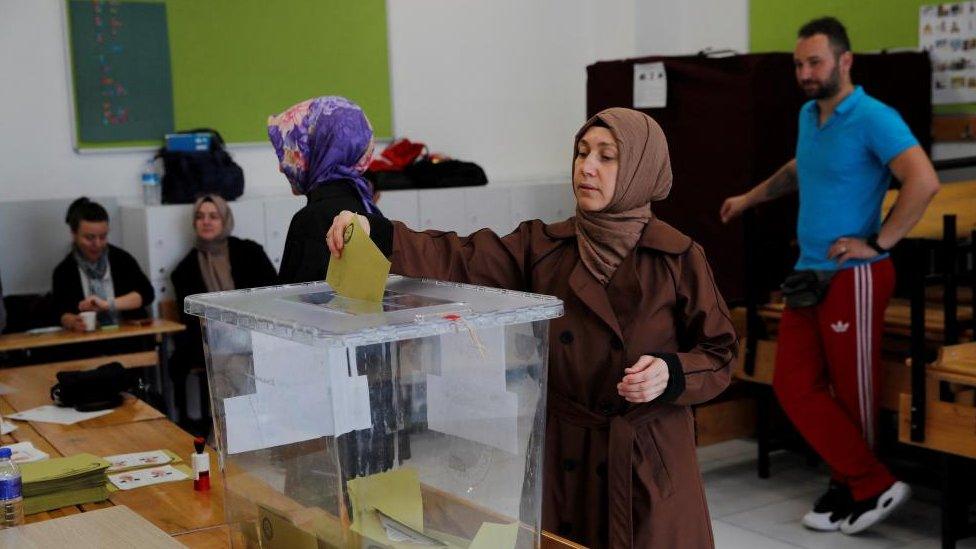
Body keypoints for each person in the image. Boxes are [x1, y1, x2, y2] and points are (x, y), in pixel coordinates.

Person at [328, 107, 736, 549]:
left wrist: (671, 373)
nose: (587, 167)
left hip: (648, 457)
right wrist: (378, 231)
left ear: (640, 167)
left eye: (607, 156)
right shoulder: (543, 246)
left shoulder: (678, 257)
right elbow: (462, 257)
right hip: (566, 454)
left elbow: (719, 354)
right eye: (581, 153)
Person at [720, 17, 939, 535]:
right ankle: (860, 481)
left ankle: (862, 484)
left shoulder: (873, 117)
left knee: (852, 392)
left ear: (845, 61)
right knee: (794, 385)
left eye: (814, 61)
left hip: (855, 277)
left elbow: (923, 180)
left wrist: (880, 242)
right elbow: (800, 169)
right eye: (798, 64)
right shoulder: (809, 115)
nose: (804, 72)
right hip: (808, 275)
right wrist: (750, 198)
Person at [170, 194, 278, 427]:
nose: (206, 222)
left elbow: (273, 294)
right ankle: (240, 426)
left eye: (213, 216)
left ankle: (238, 427)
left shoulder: (249, 252)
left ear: (225, 220)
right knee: (234, 364)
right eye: (200, 217)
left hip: (255, 332)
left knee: (238, 363)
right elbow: (188, 318)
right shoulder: (185, 269)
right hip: (212, 340)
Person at [269, 96, 380, 284]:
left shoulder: (311, 219)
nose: (282, 167)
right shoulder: (367, 207)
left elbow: (292, 308)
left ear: (315, 149)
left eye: (291, 151)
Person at [53, 197, 154, 332]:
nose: (97, 244)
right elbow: (60, 311)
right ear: (74, 234)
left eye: (103, 236)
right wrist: (71, 321)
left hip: (127, 336)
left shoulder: (121, 260)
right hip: (87, 342)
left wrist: (108, 304)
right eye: (89, 238)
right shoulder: (64, 271)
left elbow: (146, 294)